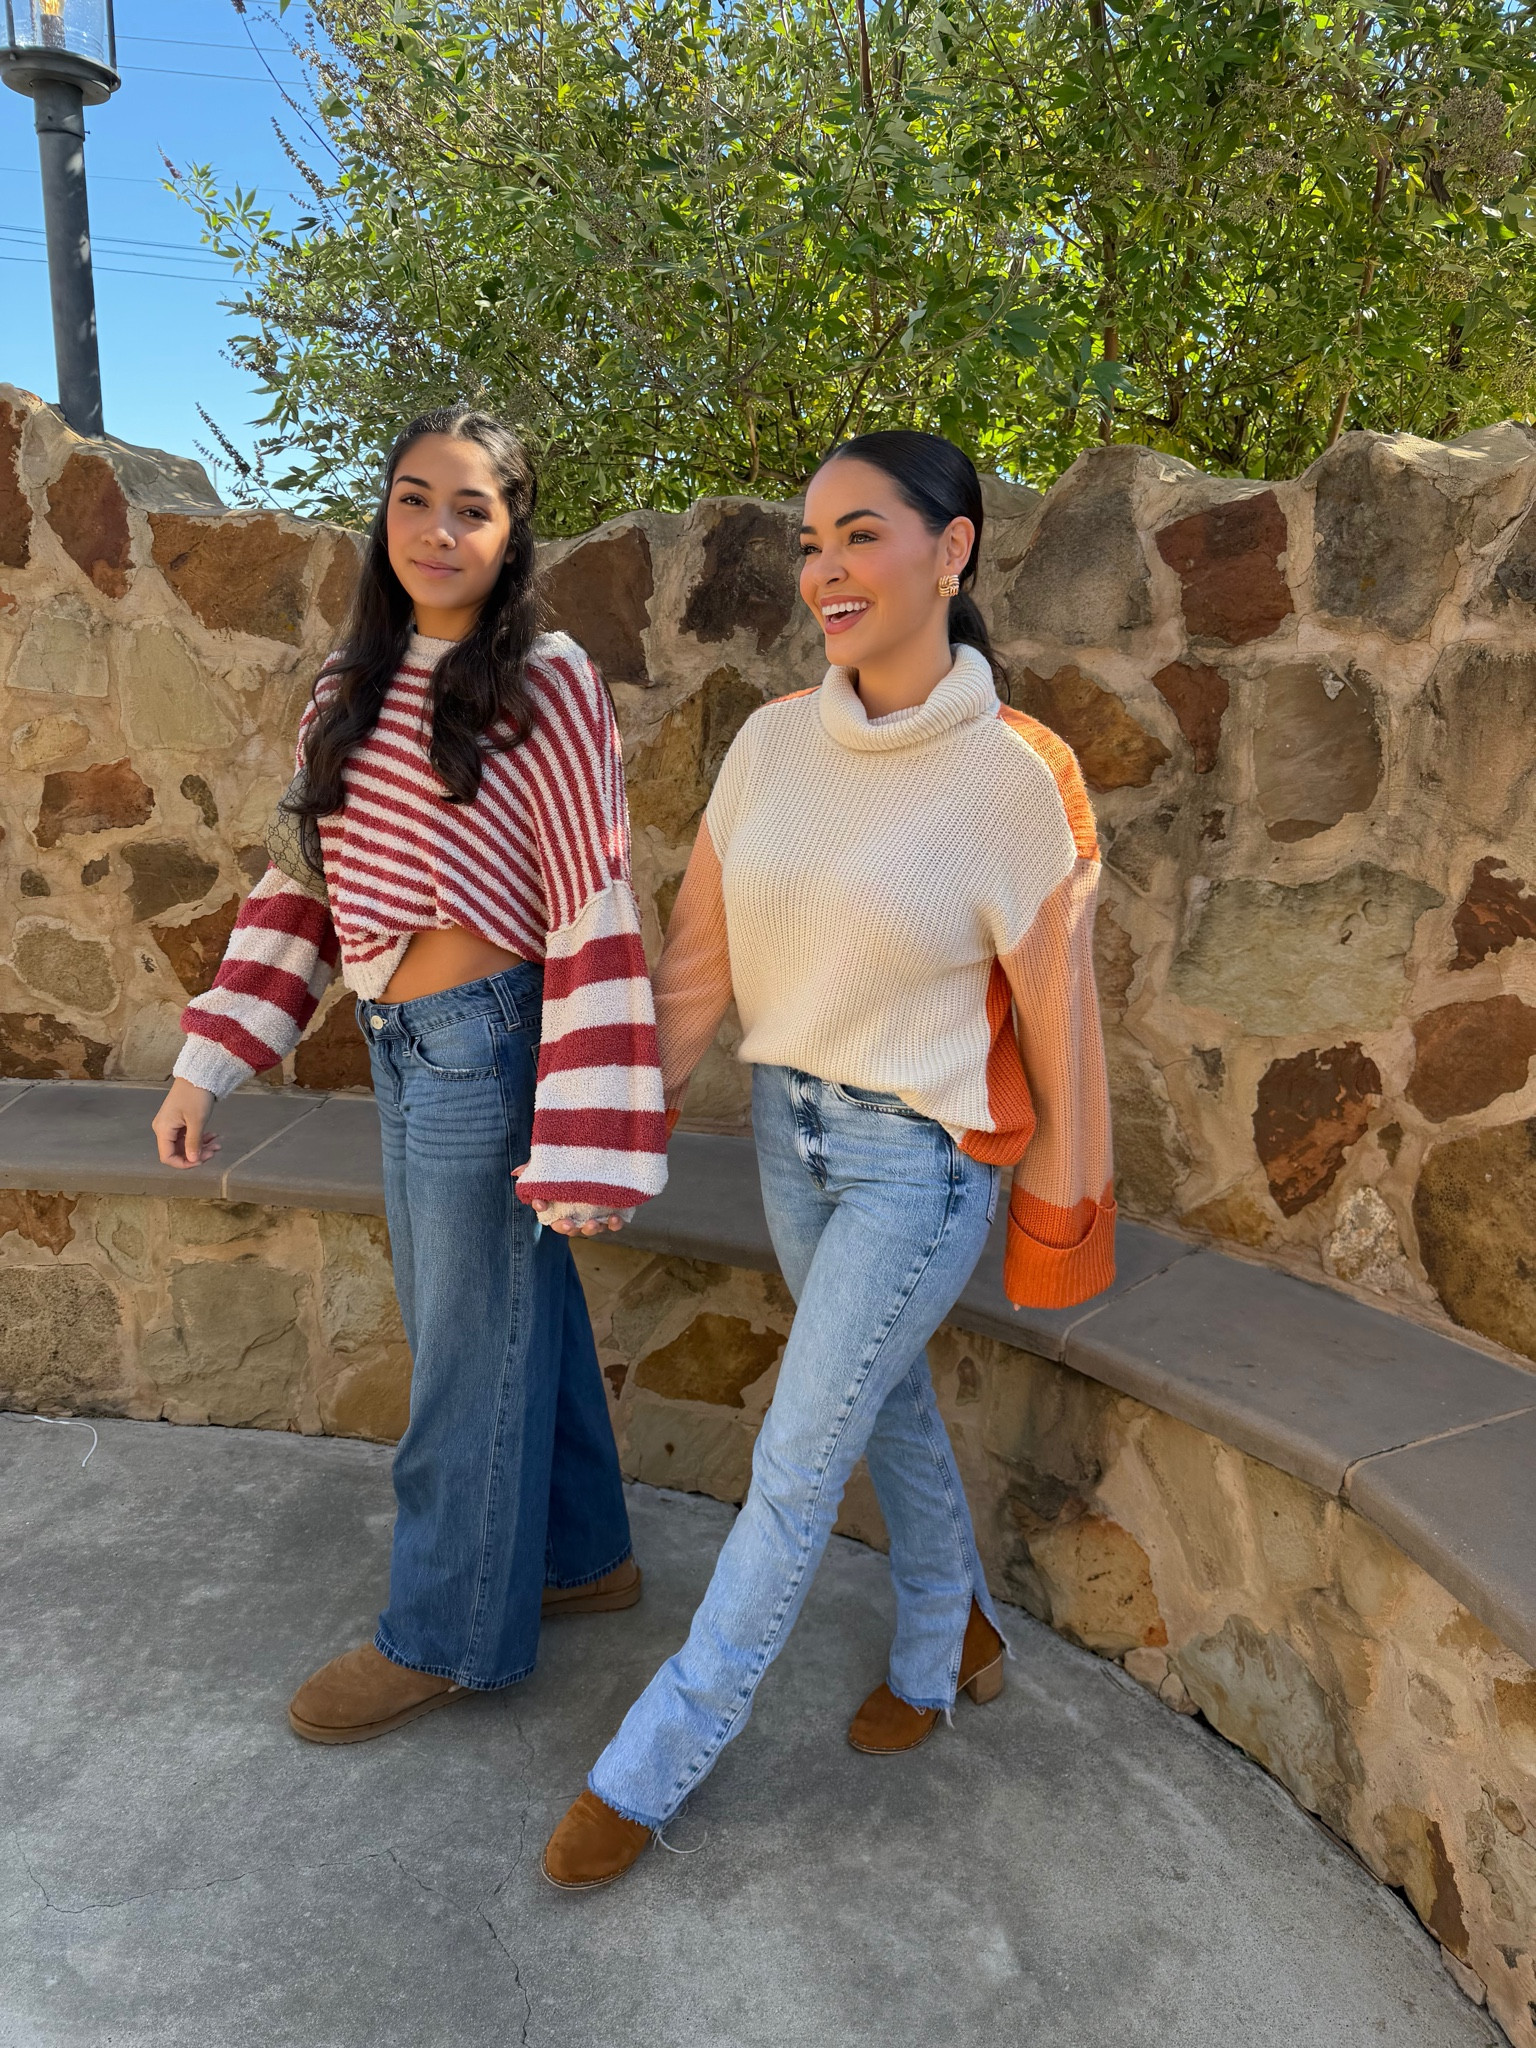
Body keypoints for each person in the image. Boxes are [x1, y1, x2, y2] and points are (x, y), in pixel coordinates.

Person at [541, 428, 1116, 1888]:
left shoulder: (1016, 776)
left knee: (798, 1457)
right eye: (811, 543)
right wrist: (618, 1129)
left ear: (954, 547)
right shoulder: (770, 743)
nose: (826, 571)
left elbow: (1062, 1027)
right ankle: (953, 1630)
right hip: (790, 1141)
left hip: (919, 1170)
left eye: (861, 534)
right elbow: (696, 967)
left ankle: (657, 1756)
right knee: (879, 1403)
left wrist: (1060, 1217)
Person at [151, 405, 667, 1744]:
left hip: (488, 1045)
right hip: (398, 1046)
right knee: (501, 1315)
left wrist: (595, 1133)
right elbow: (297, 888)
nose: (439, 529)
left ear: (511, 532)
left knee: (459, 1354)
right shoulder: (347, 688)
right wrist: (207, 1063)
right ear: (383, 516)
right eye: (414, 500)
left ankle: (446, 1635)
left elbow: (593, 898)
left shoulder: (545, 680)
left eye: (472, 508)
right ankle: (581, 1558)